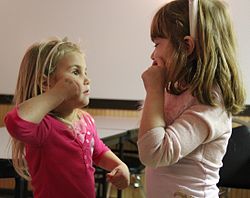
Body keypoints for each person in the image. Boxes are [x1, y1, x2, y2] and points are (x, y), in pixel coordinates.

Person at [137, 0, 246, 197]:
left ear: (186, 46)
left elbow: (153, 154)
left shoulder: (212, 102)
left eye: (157, 44)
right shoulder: (175, 89)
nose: (153, 54)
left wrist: (154, 90)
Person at [4, 37, 130, 198]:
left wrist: (119, 165)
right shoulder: (44, 128)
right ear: (45, 83)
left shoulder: (85, 119)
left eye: (85, 72)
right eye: (76, 72)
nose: (86, 79)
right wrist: (57, 93)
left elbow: (97, 151)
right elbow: (16, 123)